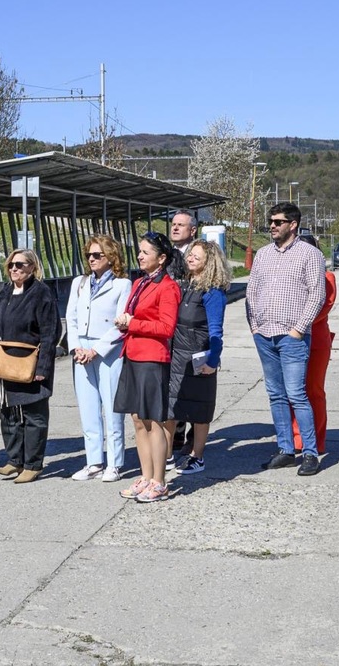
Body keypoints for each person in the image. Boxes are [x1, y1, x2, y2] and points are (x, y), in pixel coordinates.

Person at [246, 202, 325, 476]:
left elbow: (317, 294)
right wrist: (255, 326)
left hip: (292, 336)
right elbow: (251, 291)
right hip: (265, 335)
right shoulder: (263, 254)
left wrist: (299, 329)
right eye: (270, 221)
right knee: (276, 395)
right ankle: (285, 449)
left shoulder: (310, 254)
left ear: (293, 224)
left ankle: (310, 453)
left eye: (278, 221)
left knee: (296, 394)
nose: (272, 226)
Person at [113, 232, 181, 503]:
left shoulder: (168, 287)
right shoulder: (139, 282)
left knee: (154, 421)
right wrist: (124, 323)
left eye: (146, 252)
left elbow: (166, 327)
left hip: (152, 358)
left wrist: (133, 324)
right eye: (139, 251)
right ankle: (145, 476)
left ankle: (159, 481)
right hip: (133, 353)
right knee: (138, 420)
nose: (140, 256)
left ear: (161, 258)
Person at [0, 249, 58, 484]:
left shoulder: (42, 294)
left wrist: (42, 368)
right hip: (3, 364)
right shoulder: (3, 294)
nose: (14, 269)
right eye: (11, 265)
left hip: (29, 364)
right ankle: (15, 460)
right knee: (8, 413)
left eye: (20, 265)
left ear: (32, 267)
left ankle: (33, 464)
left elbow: (50, 334)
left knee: (34, 415)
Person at [66, 234, 132, 483]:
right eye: (89, 255)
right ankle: (93, 460)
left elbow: (121, 322)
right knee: (88, 406)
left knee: (112, 406)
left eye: (97, 255)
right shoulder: (79, 283)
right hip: (81, 347)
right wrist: (76, 348)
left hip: (107, 349)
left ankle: (115, 462)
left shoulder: (122, 284)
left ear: (110, 257)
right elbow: (70, 318)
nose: (92, 259)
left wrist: (97, 349)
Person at [171, 240, 231, 475]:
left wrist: (212, 362)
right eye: (190, 255)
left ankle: (197, 456)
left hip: (200, 357)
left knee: (200, 411)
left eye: (197, 256)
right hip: (178, 357)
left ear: (210, 261)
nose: (191, 258)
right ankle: (169, 454)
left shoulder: (213, 292)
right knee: (174, 408)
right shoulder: (186, 286)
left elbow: (216, 331)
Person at [292, 233, 334, 455]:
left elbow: (322, 307)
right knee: (291, 391)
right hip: (290, 339)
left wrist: (295, 323)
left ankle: (315, 440)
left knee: (313, 390)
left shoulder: (327, 277)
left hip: (315, 342)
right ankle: (293, 438)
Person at [167, 209, 198, 458]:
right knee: (172, 380)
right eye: (173, 224)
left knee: (191, 382)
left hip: (191, 326)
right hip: (169, 325)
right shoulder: (165, 253)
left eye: (181, 225)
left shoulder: (200, 254)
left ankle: (191, 436)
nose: (175, 228)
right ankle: (174, 432)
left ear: (192, 230)